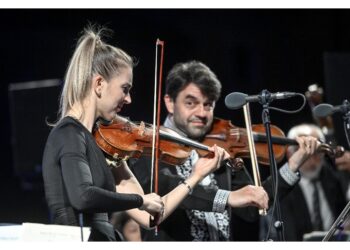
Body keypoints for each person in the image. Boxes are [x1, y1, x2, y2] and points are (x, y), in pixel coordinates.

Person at [42, 27, 229, 241]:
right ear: (99, 84)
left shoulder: (104, 146)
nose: (129, 99)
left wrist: (195, 176)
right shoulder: (68, 133)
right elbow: (83, 197)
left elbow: (151, 216)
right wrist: (140, 201)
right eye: (125, 88)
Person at [129, 60, 320, 241]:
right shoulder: (151, 144)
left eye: (208, 104)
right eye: (191, 103)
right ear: (170, 102)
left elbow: (253, 206)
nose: (202, 113)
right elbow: (164, 190)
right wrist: (228, 197)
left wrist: (294, 163)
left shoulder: (221, 149)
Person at [273, 124, 347, 241]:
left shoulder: (333, 179)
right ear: (289, 154)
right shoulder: (280, 189)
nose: (311, 159)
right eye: (304, 152)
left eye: (317, 152)